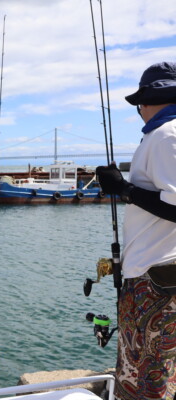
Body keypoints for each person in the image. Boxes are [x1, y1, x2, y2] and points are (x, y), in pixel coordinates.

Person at [96, 61, 176, 400]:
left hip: (155, 281)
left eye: (141, 102)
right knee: (144, 375)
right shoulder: (162, 136)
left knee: (150, 381)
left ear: (151, 100)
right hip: (152, 276)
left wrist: (124, 190)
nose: (140, 110)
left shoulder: (166, 135)